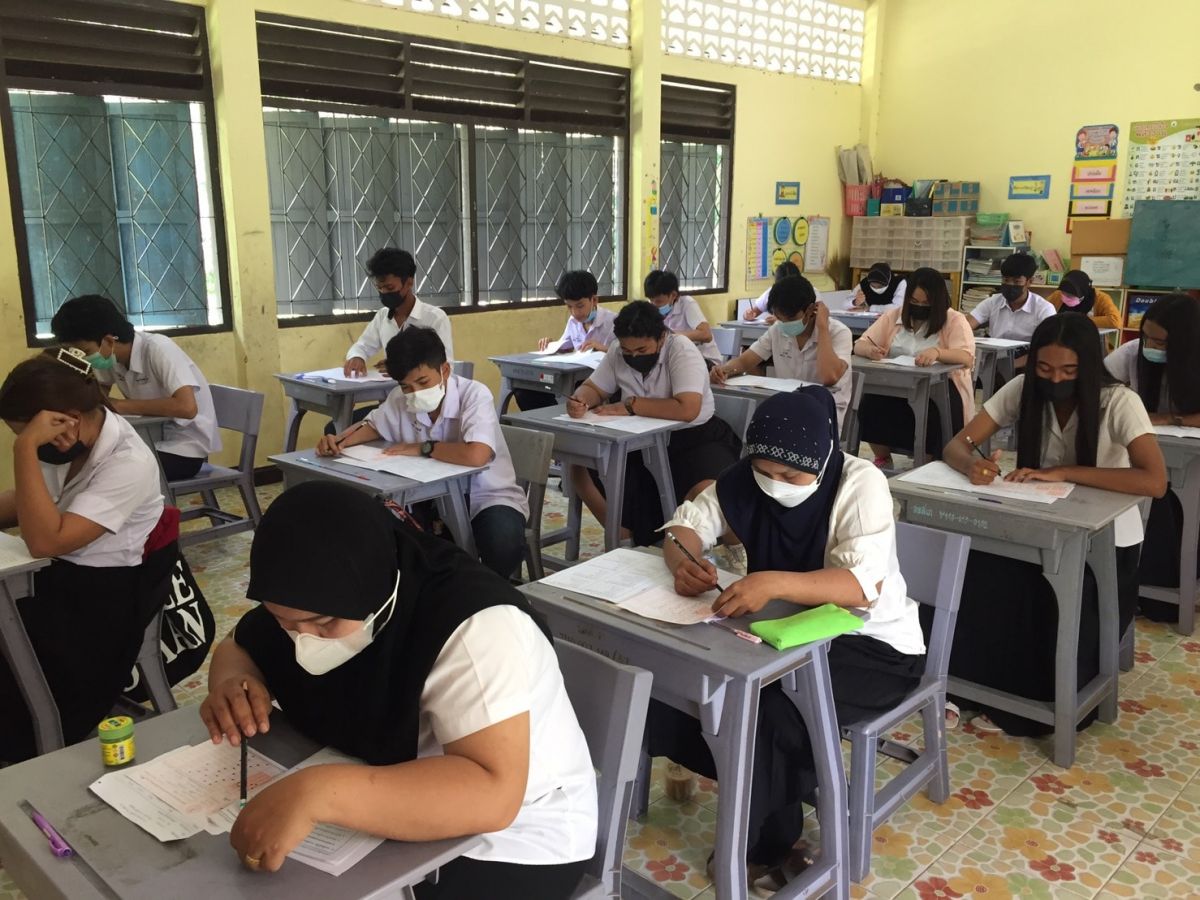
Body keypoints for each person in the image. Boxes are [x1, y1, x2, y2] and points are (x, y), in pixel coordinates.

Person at [199, 481, 596, 898]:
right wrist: (232, 683)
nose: (303, 640)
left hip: (513, 840)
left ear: (375, 592)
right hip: (385, 797)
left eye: (323, 624)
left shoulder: (474, 625)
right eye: (284, 623)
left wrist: (318, 793)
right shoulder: (311, 596)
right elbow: (238, 647)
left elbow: (493, 793)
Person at [651, 388, 925, 891]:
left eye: (792, 477)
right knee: (696, 681)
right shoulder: (743, 480)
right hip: (785, 636)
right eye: (765, 472)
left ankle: (767, 839)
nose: (775, 485)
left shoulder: (859, 483)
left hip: (872, 646)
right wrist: (683, 564)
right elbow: (684, 527)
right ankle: (753, 787)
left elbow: (862, 586)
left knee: (774, 708)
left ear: (822, 462)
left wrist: (772, 582)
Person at [943, 314, 1167, 735]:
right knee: (977, 578)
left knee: (1055, 617)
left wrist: (1065, 472)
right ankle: (968, 685)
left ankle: (1027, 702)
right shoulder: (1023, 389)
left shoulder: (1118, 402)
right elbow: (958, 444)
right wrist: (972, 464)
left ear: (1089, 366)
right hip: (1038, 527)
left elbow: (1154, 480)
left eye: (1069, 371)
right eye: (1045, 369)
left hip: (1106, 543)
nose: (1056, 380)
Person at [0, 350, 172, 763]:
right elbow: (28, 501)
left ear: (68, 420)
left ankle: (30, 736)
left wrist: (23, 449)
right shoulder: (66, 445)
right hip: (60, 577)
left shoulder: (128, 463)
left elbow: (46, 541)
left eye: (29, 434)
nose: (30, 444)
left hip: (100, 605)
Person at [319, 327, 528, 580]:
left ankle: (489, 592)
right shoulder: (399, 398)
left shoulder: (474, 395)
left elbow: (476, 455)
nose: (415, 393)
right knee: (388, 536)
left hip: (486, 495)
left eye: (423, 382)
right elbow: (373, 425)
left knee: (502, 544)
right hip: (429, 498)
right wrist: (339, 441)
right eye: (406, 386)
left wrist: (423, 448)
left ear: (445, 370)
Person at [566, 301, 742, 547]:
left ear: (661, 337)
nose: (634, 356)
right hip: (639, 442)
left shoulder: (680, 349)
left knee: (708, 493)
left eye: (641, 349)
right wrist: (580, 400)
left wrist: (631, 405)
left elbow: (688, 409)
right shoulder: (617, 351)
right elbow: (594, 387)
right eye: (628, 351)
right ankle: (625, 543)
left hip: (694, 439)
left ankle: (736, 550)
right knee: (585, 470)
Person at [50, 294, 221, 481]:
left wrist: (121, 406)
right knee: (74, 457)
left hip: (184, 450)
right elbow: (99, 398)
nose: (83, 358)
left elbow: (187, 408)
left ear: (108, 341)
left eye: (85, 352)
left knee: (104, 470)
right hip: (148, 439)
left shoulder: (157, 348)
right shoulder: (109, 358)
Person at [1104, 292, 1200, 621]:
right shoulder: (1133, 353)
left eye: (1160, 342)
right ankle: (1146, 588)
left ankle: (1171, 590)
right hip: (1147, 454)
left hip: (1190, 456)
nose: (1150, 347)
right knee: (1148, 500)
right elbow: (1099, 387)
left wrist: (1168, 419)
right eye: (1147, 337)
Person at [852, 267, 975, 469]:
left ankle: (927, 462)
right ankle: (883, 457)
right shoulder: (894, 316)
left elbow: (966, 357)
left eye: (926, 303)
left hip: (938, 390)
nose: (919, 307)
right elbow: (860, 344)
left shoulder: (954, 320)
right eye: (914, 301)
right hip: (896, 385)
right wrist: (870, 351)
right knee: (870, 403)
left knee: (931, 413)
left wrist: (938, 353)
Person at [711, 275, 853, 432]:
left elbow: (829, 376)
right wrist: (724, 370)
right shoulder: (777, 330)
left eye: (791, 318)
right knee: (742, 429)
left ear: (811, 309)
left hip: (824, 415)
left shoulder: (839, 332)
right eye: (779, 317)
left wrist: (823, 328)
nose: (784, 323)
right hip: (787, 407)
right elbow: (745, 361)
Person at [344, 247, 454, 376]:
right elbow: (362, 346)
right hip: (389, 388)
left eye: (390, 287)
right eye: (379, 288)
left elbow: (445, 367)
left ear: (409, 283)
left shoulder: (435, 318)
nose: (384, 292)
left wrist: (399, 368)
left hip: (423, 388)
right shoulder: (382, 317)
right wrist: (357, 356)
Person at [517, 270, 615, 411]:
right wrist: (551, 344)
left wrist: (603, 348)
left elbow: (626, 354)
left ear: (594, 300)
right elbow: (565, 345)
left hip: (600, 383)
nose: (574, 312)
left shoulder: (613, 322)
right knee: (525, 393)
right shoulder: (573, 322)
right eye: (569, 306)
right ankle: (550, 421)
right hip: (575, 378)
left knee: (571, 394)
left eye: (580, 306)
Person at [966, 253, 1055, 371]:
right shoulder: (993, 302)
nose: (1010, 285)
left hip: (1027, 363)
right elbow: (965, 325)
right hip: (994, 359)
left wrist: (1011, 366)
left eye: (1017, 281)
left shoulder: (1044, 309)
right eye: (1006, 280)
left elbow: (1048, 347)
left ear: (1029, 281)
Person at [644, 269, 722, 367]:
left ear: (673, 295)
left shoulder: (687, 304)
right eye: (651, 300)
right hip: (679, 357)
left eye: (658, 301)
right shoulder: (652, 311)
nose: (654, 305)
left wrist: (671, 336)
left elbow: (706, 335)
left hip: (705, 360)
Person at [1047, 270, 1122, 330]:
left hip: (1088, 338)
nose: (1065, 297)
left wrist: (1081, 321)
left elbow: (1116, 321)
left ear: (1083, 294)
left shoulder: (1101, 298)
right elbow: (1045, 310)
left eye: (1070, 295)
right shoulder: (1058, 294)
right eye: (1063, 293)